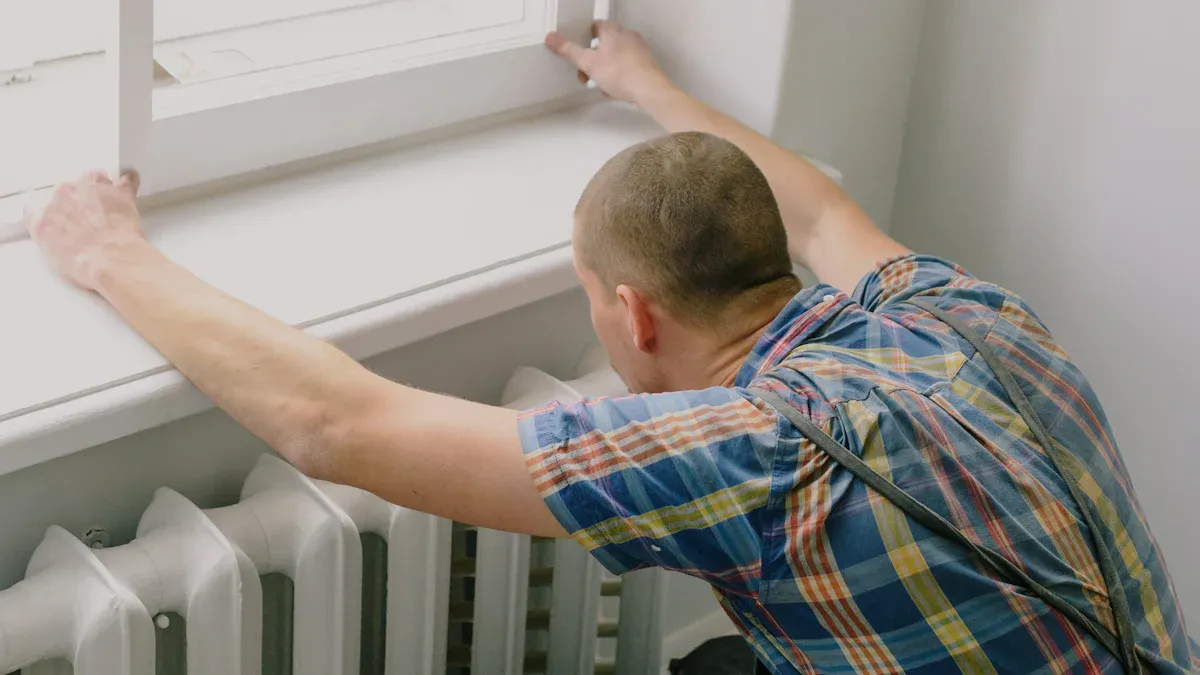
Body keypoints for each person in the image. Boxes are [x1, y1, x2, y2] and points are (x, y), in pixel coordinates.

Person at [25, 20, 1195, 674]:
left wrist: (110, 254)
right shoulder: (969, 316)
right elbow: (823, 214)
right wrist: (648, 86)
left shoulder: (756, 460)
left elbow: (336, 425)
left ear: (633, 316)